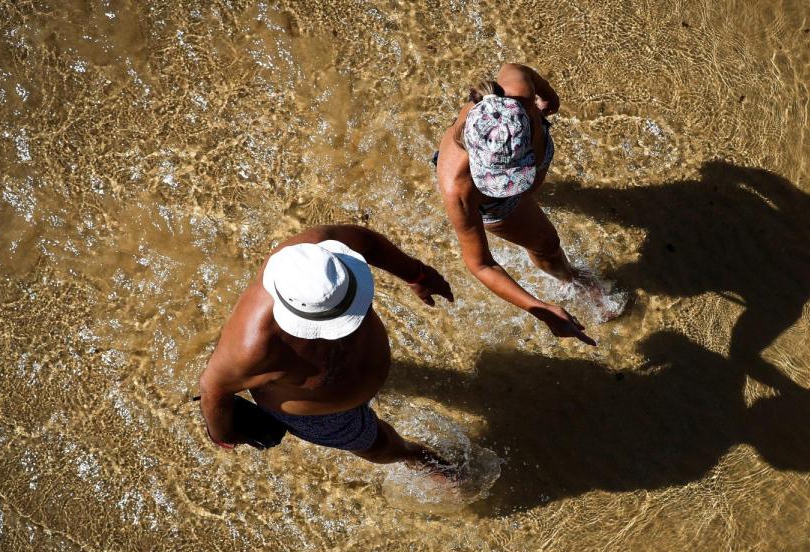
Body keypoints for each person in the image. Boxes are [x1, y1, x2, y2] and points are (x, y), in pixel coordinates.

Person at [198, 224, 455, 475]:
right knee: (377, 446)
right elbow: (213, 388)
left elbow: (370, 244)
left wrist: (417, 274)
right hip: (322, 415)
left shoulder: (321, 255)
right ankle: (415, 457)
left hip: (346, 382)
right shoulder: (253, 344)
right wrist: (225, 436)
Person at [434, 63, 598, 346]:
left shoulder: (516, 93)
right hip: (498, 206)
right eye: (502, 177)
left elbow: (517, 68)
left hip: (531, 145)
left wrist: (548, 96)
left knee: (538, 199)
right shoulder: (459, 189)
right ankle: (570, 278)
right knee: (546, 243)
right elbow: (480, 264)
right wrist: (541, 310)